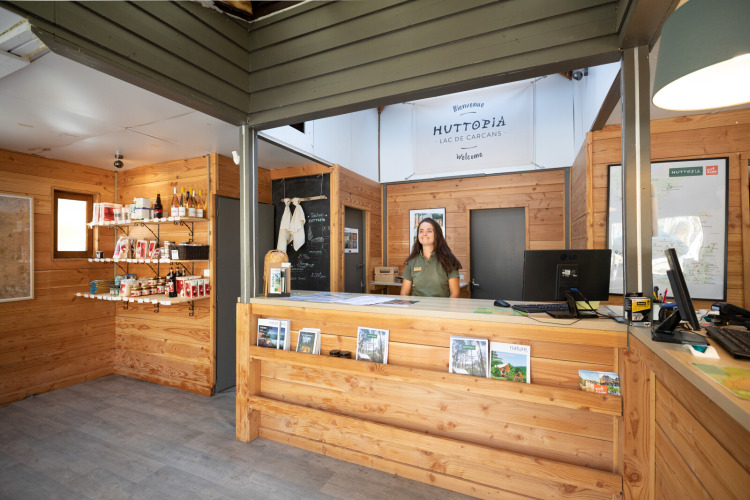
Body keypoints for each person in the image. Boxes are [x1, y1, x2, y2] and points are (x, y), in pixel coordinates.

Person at [400, 218, 462, 298]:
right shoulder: (411, 261)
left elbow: (455, 293)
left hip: (440, 305)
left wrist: (448, 306)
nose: (424, 234)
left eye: (429, 231)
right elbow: (404, 293)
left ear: (437, 235)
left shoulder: (448, 260)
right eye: (421, 231)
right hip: (417, 305)